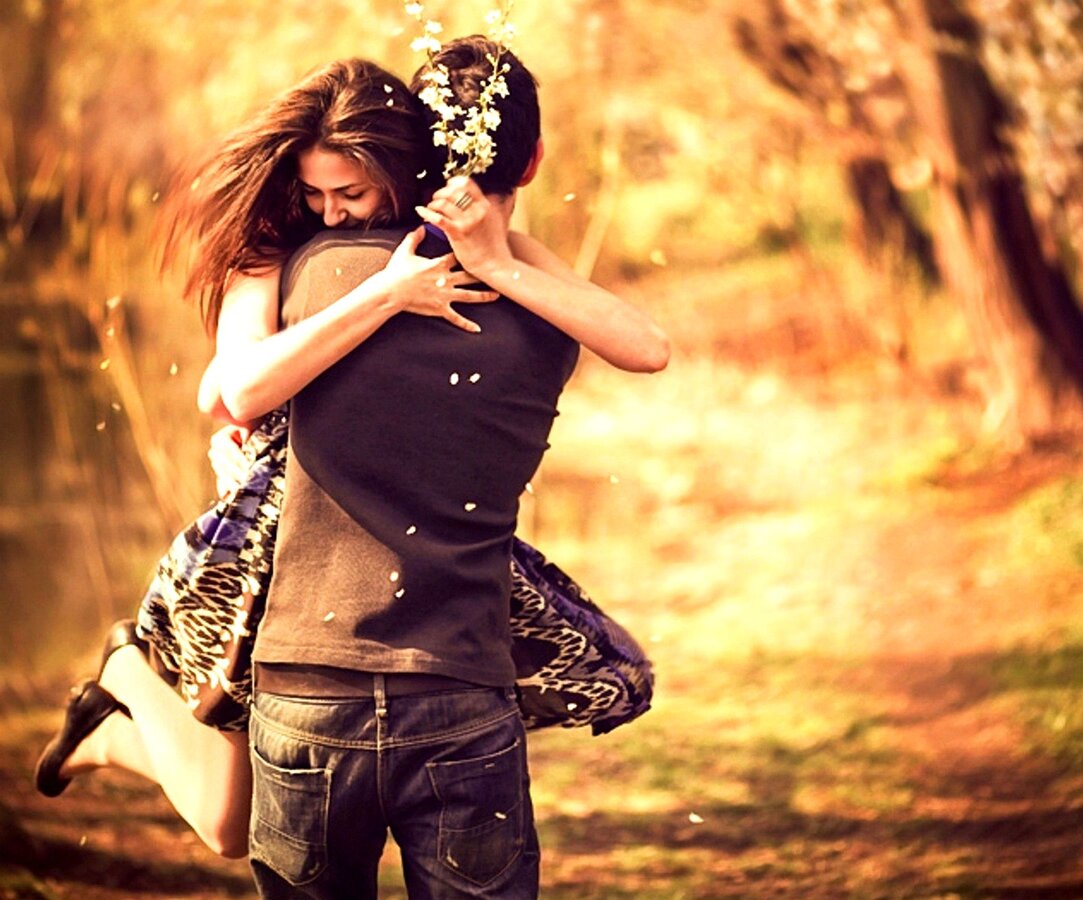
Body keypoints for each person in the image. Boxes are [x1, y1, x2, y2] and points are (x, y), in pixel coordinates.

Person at [33, 48, 665, 872]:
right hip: (265, 555)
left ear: (400, 175)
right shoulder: (272, 247)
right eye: (315, 193)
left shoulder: (472, 247)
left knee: (228, 822)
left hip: (367, 579)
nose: (331, 213)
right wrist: (383, 296)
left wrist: (496, 264)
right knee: (231, 821)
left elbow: (643, 344)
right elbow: (227, 392)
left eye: (352, 193)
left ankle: (110, 723)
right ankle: (126, 677)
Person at [242, 35, 666, 899]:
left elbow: (235, 395)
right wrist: (500, 264)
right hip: (461, 682)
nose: (333, 211)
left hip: (305, 681)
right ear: (534, 160)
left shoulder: (311, 270)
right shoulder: (544, 306)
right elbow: (646, 347)